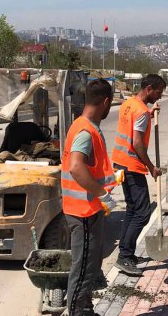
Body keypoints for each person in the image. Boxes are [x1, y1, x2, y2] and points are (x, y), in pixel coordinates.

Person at [61, 79, 118, 316]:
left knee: (90, 267)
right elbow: (76, 167)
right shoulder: (85, 131)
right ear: (105, 102)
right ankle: (77, 312)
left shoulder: (83, 125)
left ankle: (85, 309)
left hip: (88, 210)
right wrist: (102, 194)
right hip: (83, 212)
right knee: (83, 269)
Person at [112, 74, 167, 276]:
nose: (159, 96)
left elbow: (133, 125)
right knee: (143, 213)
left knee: (132, 209)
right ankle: (125, 257)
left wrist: (150, 115)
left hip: (119, 161)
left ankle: (126, 252)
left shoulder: (129, 104)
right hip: (131, 166)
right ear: (149, 88)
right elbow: (136, 143)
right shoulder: (141, 111)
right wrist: (151, 167)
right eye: (159, 92)